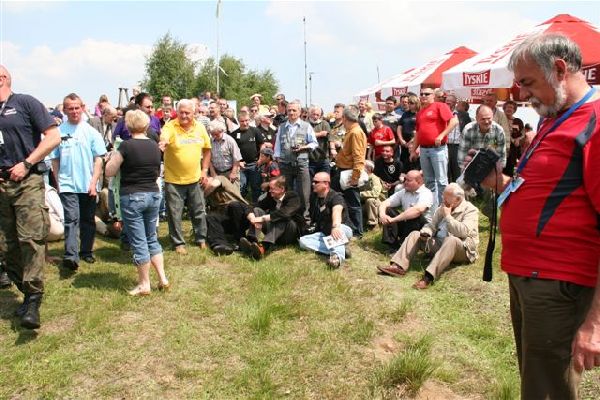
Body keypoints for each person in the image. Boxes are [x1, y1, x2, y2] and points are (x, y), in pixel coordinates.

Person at [480, 33, 600, 399]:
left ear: (560, 69)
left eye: (528, 82)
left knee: (546, 390)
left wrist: (595, 323)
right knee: (537, 383)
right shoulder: (554, 118)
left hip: (559, 281)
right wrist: (500, 183)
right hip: (529, 276)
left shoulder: (594, 122)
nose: (521, 94)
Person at [0, 65, 61, 329]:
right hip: (2, 185)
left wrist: (26, 163)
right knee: (6, 245)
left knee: (30, 239)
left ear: (2, 78)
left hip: (27, 181)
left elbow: (53, 137)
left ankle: (34, 298)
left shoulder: (25, 103)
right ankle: (25, 293)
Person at [105, 110, 169, 296]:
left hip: (133, 196)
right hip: (153, 194)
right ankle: (163, 278)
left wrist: (110, 159)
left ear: (128, 126)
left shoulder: (125, 146)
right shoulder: (154, 146)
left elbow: (109, 171)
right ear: (146, 125)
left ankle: (144, 284)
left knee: (139, 241)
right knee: (151, 238)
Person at [378, 183, 479, 289]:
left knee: (451, 240)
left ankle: (428, 277)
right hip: (440, 244)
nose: (443, 200)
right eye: (443, 197)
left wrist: (448, 216)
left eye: (446, 199)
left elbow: (463, 232)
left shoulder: (470, 210)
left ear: (457, 199)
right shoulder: (443, 207)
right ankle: (398, 266)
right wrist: (426, 232)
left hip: (462, 249)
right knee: (415, 234)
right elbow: (431, 225)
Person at [50, 93, 106, 272]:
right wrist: (58, 182)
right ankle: (71, 256)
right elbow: (55, 160)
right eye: (70, 108)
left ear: (82, 108)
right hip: (67, 184)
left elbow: (98, 160)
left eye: (77, 108)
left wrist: (94, 182)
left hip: (88, 184)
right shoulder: (58, 133)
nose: (74, 111)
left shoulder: (91, 132)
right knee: (71, 218)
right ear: (65, 110)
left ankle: (86, 251)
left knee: (87, 219)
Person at [160, 99, 212, 254]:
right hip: (173, 179)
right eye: (181, 112)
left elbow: (207, 149)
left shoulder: (200, 127)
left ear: (193, 113)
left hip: (195, 178)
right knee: (175, 213)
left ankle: (201, 239)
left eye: (187, 113)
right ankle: (178, 243)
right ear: (177, 112)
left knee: (199, 211)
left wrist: (204, 170)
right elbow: (164, 137)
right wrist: (163, 142)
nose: (183, 116)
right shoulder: (170, 126)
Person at [411, 88, 458, 207]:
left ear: (433, 96)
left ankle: (444, 207)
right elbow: (418, 133)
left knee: (442, 181)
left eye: (427, 94)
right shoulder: (420, 112)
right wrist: (413, 150)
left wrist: (441, 135)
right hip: (424, 149)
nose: (423, 96)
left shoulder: (440, 106)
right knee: (429, 181)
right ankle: (432, 207)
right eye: (421, 94)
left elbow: (454, 121)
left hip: (438, 149)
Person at [239, 176, 305, 260]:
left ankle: (263, 247)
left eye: (272, 188)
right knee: (257, 210)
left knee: (282, 217)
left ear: (282, 189)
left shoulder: (293, 197)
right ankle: (251, 241)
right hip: (275, 231)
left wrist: (262, 219)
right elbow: (254, 206)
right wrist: (253, 219)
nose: (269, 191)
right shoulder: (271, 197)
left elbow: (285, 213)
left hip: (290, 234)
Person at [273, 100, 318, 220]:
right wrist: (277, 158)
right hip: (285, 165)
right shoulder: (282, 126)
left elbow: (314, 143)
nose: (291, 112)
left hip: (301, 164)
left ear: (299, 112)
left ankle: (304, 220)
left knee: (304, 194)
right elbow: (277, 145)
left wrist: (304, 147)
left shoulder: (306, 126)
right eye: (289, 110)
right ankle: (288, 218)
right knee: (286, 193)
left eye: (294, 110)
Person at [299, 172, 353, 268]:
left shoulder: (336, 197)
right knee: (303, 241)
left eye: (316, 182)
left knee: (337, 233)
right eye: (313, 181)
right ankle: (342, 250)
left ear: (326, 184)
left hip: (342, 228)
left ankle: (336, 258)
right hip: (325, 232)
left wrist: (335, 227)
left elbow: (337, 211)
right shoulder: (314, 197)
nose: (313, 184)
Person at [378, 170, 433, 254]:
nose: (405, 182)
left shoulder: (426, 193)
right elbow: (384, 203)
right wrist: (382, 215)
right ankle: (393, 246)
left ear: (418, 182)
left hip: (423, 228)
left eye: (408, 180)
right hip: (407, 223)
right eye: (405, 179)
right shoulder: (404, 191)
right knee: (388, 210)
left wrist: (393, 220)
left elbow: (417, 211)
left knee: (413, 215)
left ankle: (403, 247)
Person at [229, 111, 264, 201]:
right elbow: (231, 151)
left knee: (256, 188)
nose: (245, 123)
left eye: (246, 120)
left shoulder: (255, 131)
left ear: (249, 120)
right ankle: (241, 206)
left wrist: (261, 158)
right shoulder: (234, 134)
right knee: (241, 188)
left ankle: (256, 205)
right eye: (242, 121)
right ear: (238, 121)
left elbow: (262, 145)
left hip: (255, 164)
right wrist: (238, 162)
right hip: (241, 166)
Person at [360, 160, 387, 230]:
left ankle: (373, 224)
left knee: (370, 200)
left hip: (378, 203)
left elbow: (375, 193)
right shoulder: (361, 179)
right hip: (364, 203)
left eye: (362, 166)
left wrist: (360, 194)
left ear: (369, 169)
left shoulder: (375, 179)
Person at [502, 100, 525, 177]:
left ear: (514, 110)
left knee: (509, 175)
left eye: (511, 107)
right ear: (504, 108)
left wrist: (518, 139)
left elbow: (523, 135)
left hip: (512, 154)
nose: (509, 109)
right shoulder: (500, 120)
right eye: (508, 107)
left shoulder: (518, 121)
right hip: (501, 152)